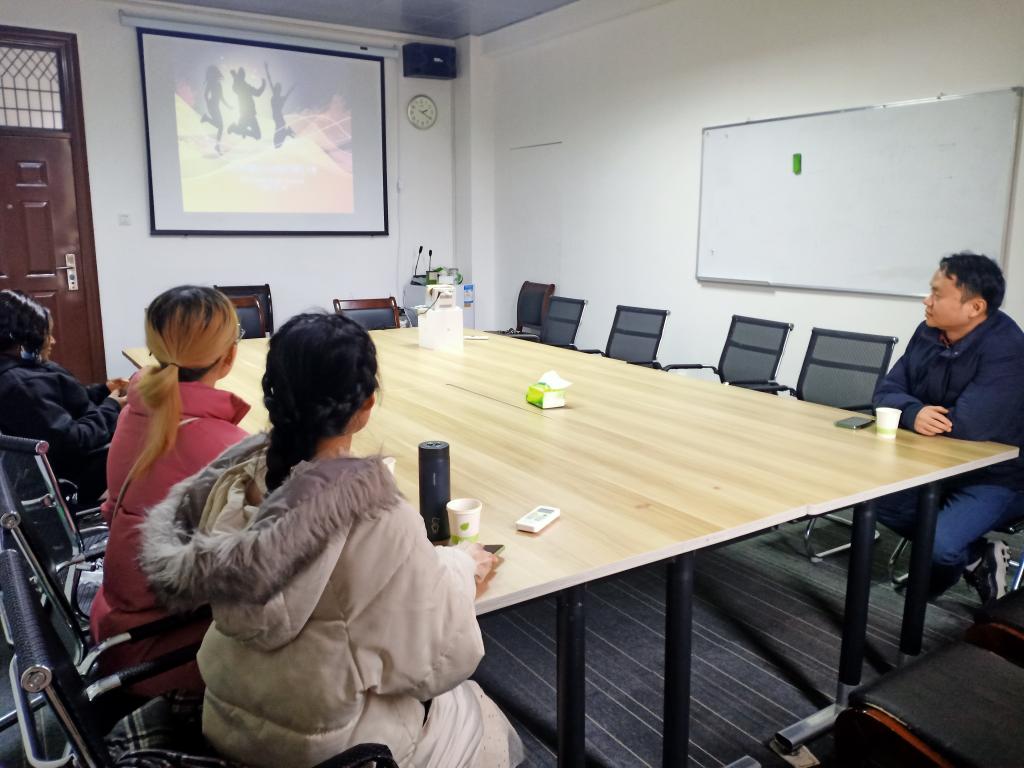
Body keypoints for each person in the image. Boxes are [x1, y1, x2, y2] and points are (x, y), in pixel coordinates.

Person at [139, 312, 524, 768]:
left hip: (227, 723)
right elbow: (437, 661)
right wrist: (462, 567)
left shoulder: (234, 481)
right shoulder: (376, 515)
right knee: (485, 718)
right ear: (368, 405)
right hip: (332, 752)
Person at [89, 286, 250, 696]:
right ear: (229, 356)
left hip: (118, 620)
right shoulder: (225, 448)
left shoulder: (135, 410)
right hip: (160, 646)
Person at [873, 252, 1024, 604]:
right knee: (868, 499)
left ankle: (942, 575)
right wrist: (914, 412)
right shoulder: (928, 332)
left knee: (938, 546)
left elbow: (971, 425)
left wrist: (915, 412)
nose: (927, 301)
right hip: (932, 463)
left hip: (994, 476)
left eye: (937, 294)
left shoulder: (1008, 348)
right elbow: (886, 391)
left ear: (975, 307)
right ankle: (978, 557)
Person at [0, 289, 126, 504]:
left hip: (67, 460)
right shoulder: (22, 386)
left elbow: (57, 404)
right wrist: (113, 406)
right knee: (151, 438)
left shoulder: (21, 373)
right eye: (46, 334)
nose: (53, 341)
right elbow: (76, 440)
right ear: (25, 339)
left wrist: (103, 390)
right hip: (74, 475)